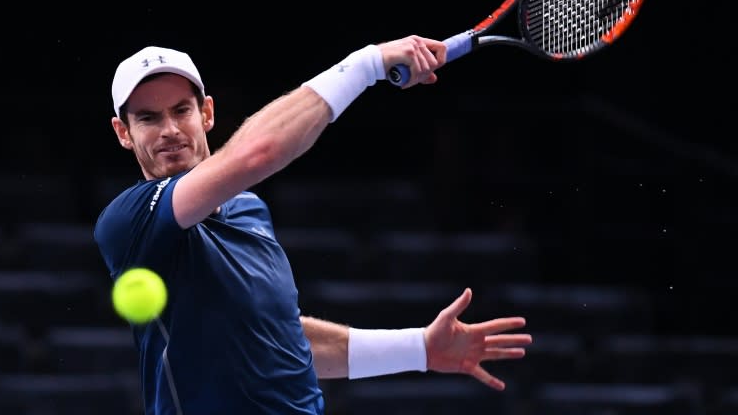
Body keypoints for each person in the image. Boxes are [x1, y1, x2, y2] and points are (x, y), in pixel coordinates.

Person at [94, 38, 532, 414]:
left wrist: (418, 348)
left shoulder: (248, 211)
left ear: (206, 113)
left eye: (181, 110)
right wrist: (368, 63)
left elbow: (280, 338)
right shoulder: (128, 220)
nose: (169, 130)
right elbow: (256, 153)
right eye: (148, 119)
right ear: (122, 133)